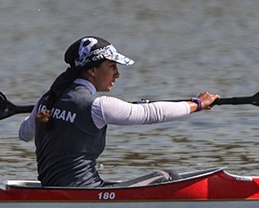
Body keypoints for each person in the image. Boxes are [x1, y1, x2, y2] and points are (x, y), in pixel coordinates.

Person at [18, 36, 219, 187]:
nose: (117, 74)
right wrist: (197, 104)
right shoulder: (98, 106)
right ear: (92, 70)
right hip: (86, 193)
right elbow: (150, 113)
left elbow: (24, 134)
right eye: (112, 66)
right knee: (167, 177)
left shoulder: (46, 100)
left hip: (52, 190)